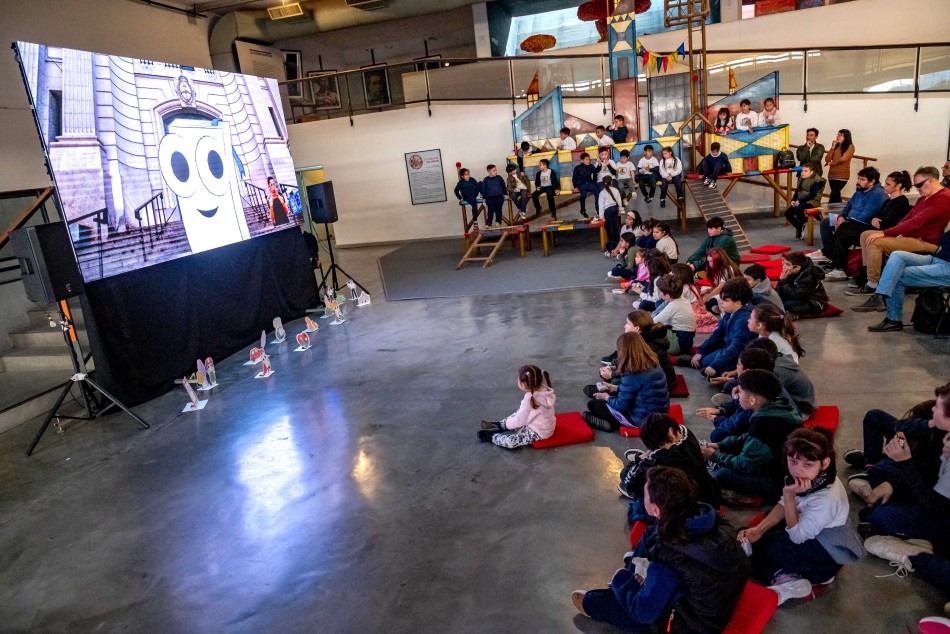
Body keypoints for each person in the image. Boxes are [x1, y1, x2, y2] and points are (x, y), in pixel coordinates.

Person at [572, 467, 749, 633]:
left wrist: (622, 579)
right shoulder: (712, 519)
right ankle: (635, 570)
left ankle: (593, 601)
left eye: (645, 494)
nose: (643, 496)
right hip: (715, 597)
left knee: (611, 604)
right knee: (651, 533)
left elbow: (644, 612)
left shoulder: (668, 558)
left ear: (656, 509)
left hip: (695, 623)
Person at [738, 428, 863, 604]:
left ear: (825, 463)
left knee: (765, 548)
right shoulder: (816, 478)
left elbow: (797, 536)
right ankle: (785, 574)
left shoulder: (826, 498)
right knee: (757, 533)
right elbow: (783, 504)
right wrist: (759, 529)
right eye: (793, 461)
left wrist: (789, 496)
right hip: (813, 535)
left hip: (825, 554)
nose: (798, 470)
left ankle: (787, 579)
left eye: (808, 464)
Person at [855, 384, 950, 554]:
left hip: (940, 511)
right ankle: (875, 479)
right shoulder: (941, 430)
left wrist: (904, 462)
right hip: (931, 489)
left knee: (878, 514)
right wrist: (892, 484)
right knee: (880, 477)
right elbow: (931, 475)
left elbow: (934, 504)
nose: (934, 408)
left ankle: (923, 546)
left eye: (938, 407)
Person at [701, 369, 803, 502]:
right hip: (774, 462)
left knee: (721, 475)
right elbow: (748, 437)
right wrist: (720, 445)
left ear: (752, 400)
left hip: (779, 480)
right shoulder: (776, 406)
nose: (737, 394)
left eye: (740, 392)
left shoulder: (765, 426)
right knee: (727, 448)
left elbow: (745, 464)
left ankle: (761, 498)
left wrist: (714, 456)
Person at [849, 167, 950, 296]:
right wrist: (892, 232)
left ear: (931, 181)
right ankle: (866, 274)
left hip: (927, 242)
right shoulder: (925, 197)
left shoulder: (943, 198)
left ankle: (872, 284)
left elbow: (916, 222)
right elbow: (907, 219)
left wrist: (885, 233)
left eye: (919, 185)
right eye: (916, 185)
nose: (917, 188)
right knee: (865, 235)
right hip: (914, 237)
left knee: (876, 242)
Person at [619, 414, 721, 517]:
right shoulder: (684, 431)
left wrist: (645, 458)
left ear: (670, 433)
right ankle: (642, 457)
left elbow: (629, 482)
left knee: (630, 481)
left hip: (688, 509)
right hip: (710, 495)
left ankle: (640, 458)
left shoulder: (663, 456)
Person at [855, 225, 950, 332]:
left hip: (946, 267)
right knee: (897, 255)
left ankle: (893, 319)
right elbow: (944, 239)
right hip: (938, 258)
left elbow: (944, 240)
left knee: (897, 274)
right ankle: (879, 296)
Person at [583, 332, 669, 432]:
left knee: (593, 404)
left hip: (641, 420)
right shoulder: (652, 361)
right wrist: (614, 387)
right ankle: (610, 418)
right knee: (614, 394)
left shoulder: (632, 373)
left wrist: (606, 397)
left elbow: (621, 406)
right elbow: (637, 388)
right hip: (661, 412)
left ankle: (612, 423)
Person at [848, 170, 914, 292]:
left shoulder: (901, 202)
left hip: (891, 233)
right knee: (863, 234)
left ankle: (872, 281)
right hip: (882, 229)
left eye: (888, 184)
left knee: (868, 237)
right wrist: (875, 220)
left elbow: (888, 223)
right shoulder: (888, 201)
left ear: (898, 186)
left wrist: (878, 221)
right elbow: (876, 218)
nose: (884, 186)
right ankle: (866, 273)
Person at [819, 165, 888, 280]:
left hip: (864, 225)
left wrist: (845, 221)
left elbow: (866, 215)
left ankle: (839, 268)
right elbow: (848, 206)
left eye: (862, 179)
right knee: (826, 222)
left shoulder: (877, 194)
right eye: (858, 178)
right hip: (849, 220)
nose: (858, 182)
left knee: (842, 231)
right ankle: (831, 255)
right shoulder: (860, 191)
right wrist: (841, 216)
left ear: (872, 182)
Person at [844, 396, 941, 471]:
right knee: (874, 415)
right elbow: (900, 427)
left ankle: (882, 466)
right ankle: (872, 463)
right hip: (909, 439)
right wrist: (929, 423)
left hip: (922, 455)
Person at [477, 365, 555, 448]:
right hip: (546, 426)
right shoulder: (544, 390)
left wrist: (509, 424)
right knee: (519, 412)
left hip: (539, 432)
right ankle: (500, 425)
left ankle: (493, 436)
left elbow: (519, 420)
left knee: (511, 442)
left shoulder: (530, 399)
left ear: (523, 384)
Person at [691, 277, 756, 377]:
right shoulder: (730, 311)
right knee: (703, 357)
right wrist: (701, 350)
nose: (721, 303)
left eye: (725, 300)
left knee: (705, 362)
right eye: (721, 299)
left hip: (739, 355)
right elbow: (718, 333)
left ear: (738, 303)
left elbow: (737, 346)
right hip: (727, 346)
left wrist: (715, 365)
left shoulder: (744, 319)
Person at [746, 338, 817, 417]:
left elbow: (767, 395)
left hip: (801, 409)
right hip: (804, 401)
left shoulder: (776, 370)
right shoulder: (779, 358)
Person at [653, 274, 696, 355]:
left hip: (679, 343)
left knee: (653, 329)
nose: (658, 293)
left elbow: (654, 321)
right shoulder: (682, 300)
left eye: (659, 291)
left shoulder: (674, 305)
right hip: (685, 341)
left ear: (667, 296)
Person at [776, 251, 829, 317]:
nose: (784, 267)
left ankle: (795, 314)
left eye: (787, 264)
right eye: (783, 263)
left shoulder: (808, 278)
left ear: (797, 267)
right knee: (776, 299)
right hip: (799, 296)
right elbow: (780, 289)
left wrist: (783, 281)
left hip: (813, 301)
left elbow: (797, 295)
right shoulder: (791, 271)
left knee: (787, 305)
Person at [785, 163, 826, 239]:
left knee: (798, 210)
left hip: (812, 201)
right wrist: (793, 200)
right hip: (802, 200)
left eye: (805, 171)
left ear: (812, 172)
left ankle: (812, 217)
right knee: (788, 213)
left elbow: (812, 195)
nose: (802, 172)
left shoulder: (816, 180)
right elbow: (798, 190)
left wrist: (800, 201)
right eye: (802, 171)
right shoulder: (801, 178)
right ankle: (800, 226)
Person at [699, 247, 741, 313]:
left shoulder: (727, 269)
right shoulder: (718, 268)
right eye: (709, 261)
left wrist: (706, 299)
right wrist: (708, 291)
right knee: (703, 291)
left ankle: (718, 307)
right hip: (724, 290)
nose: (710, 264)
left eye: (712, 262)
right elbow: (717, 286)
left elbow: (720, 288)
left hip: (732, 293)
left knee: (711, 301)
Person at [824, 129, 855, 203]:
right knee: (836, 195)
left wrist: (832, 164)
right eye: (837, 134)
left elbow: (843, 159)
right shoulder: (836, 146)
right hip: (832, 175)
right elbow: (827, 159)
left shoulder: (850, 146)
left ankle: (831, 213)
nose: (838, 136)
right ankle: (839, 212)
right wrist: (832, 147)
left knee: (834, 194)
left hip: (842, 175)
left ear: (846, 137)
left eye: (841, 135)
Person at [480, 164, 508, 229]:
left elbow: (503, 186)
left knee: (499, 210)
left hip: (499, 197)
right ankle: (489, 223)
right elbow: (483, 189)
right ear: (489, 172)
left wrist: (505, 194)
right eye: (494, 170)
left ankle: (498, 222)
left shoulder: (499, 178)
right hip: (490, 198)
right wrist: (484, 199)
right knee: (490, 211)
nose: (496, 172)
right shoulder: (486, 179)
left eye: (496, 170)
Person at [598, 176, 623, 245]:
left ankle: (612, 244)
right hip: (615, 209)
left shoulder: (602, 193)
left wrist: (601, 217)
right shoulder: (615, 190)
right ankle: (618, 243)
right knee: (616, 227)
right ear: (611, 182)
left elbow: (601, 206)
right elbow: (619, 202)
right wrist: (620, 210)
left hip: (607, 211)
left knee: (609, 228)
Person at [572, 152, 598, 218]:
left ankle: (597, 208)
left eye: (589, 159)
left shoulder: (591, 166)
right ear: (582, 160)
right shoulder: (577, 168)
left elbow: (596, 171)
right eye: (586, 159)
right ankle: (583, 210)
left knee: (597, 191)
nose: (588, 161)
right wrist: (575, 187)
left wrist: (599, 164)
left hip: (590, 183)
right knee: (583, 195)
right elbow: (574, 177)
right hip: (581, 184)